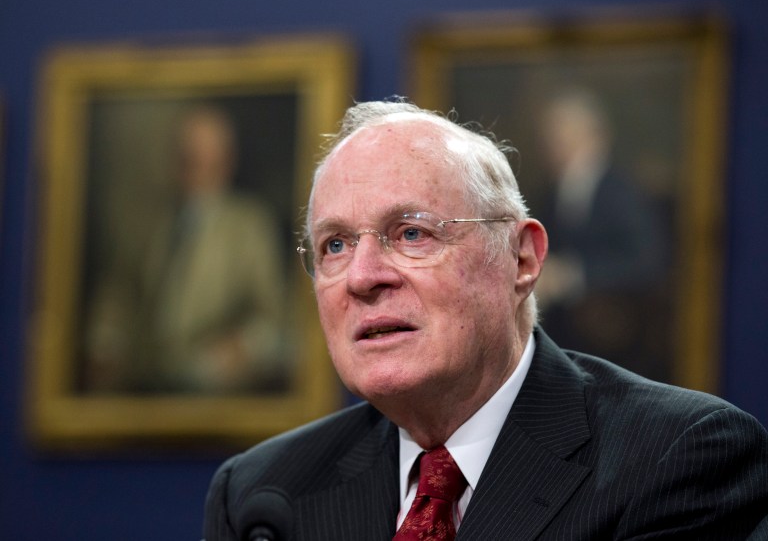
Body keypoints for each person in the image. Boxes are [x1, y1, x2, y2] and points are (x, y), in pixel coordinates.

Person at [203, 99, 768, 540]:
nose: (361, 276)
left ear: (522, 260)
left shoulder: (678, 460)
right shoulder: (260, 493)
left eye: (411, 233)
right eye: (334, 245)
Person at [86, 105, 287, 393]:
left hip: (213, 389)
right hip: (141, 384)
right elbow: (118, 293)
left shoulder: (249, 225)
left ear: (226, 159)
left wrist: (242, 347)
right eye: (187, 152)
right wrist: (105, 344)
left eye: (205, 154)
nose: (194, 162)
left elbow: (274, 317)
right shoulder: (149, 221)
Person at [533, 88, 669, 379]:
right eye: (551, 136)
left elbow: (646, 262)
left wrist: (572, 276)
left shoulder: (621, 192)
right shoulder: (552, 193)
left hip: (616, 340)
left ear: (593, 134)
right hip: (567, 341)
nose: (552, 145)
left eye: (562, 134)